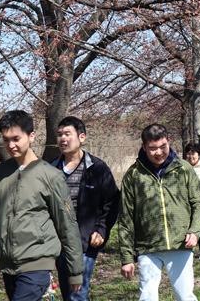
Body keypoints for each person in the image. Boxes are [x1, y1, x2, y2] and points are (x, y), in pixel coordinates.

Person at [0, 110, 84, 301]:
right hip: (8, 266)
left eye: (16, 139)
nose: (11, 145)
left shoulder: (50, 176)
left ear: (31, 136)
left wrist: (75, 270)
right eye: (6, 140)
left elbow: (67, 225)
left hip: (37, 264)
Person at [118, 124, 200, 301]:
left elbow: (199, 203)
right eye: (153, 148)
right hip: (148, 247)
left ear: (169, 142)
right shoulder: (133, 175)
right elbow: (125, 218)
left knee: (185, 296)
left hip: (180, 245)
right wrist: (126, 257)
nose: (159, 152)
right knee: (147, 297)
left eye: (163, 146)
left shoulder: (183, 169)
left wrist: (195, 231)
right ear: (143, 147)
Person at [50, 116, 120, 301]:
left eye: (67, 134)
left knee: (77, 295)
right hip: (57, 242)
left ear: (82, 137)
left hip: (84, 242)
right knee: (68, 294)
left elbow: (112, 201)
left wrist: (101, 229)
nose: (63, 138)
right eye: (59, 134)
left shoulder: (97, 169)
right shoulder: (51, 169)